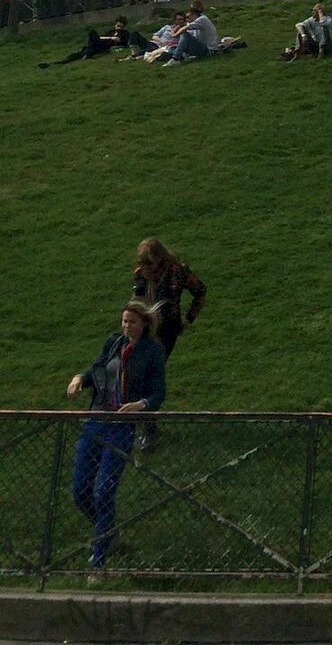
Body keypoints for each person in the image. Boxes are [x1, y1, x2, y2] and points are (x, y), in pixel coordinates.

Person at [66, 300, 166, 567]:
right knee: (80, 490)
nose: (126, 326)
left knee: (104, 491)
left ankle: (98, 559)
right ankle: (110, 532)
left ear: (144, 323)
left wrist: (140, 405)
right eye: (124, 321)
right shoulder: (113, 342)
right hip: (96, 420)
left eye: (132, 322)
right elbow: (97, 369)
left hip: (121, 426)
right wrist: (79, 378)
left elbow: (158, 393)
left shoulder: (152, 351)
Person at [131, 240, 205, 447]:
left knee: (149, 374)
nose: (146, 268)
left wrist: (189, 319)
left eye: (150, 264)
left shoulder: (178, 272)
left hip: (167, 331)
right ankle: (144, 424)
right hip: (145, 331)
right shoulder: (140, 275)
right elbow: (136, 302)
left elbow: (200, 291)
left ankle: (150, 430)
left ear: (160, 258)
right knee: (138, 374)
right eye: (143, 263)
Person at [39, 17, 148, 69]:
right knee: (77, 53)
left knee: (90, 45)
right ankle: (55, 63)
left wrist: (113, 39)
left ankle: (88, 54)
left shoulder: (125, 33)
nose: (118, 28)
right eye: (117, 25)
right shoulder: (111, 31)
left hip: (105, 46)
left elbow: (121, 42)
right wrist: (110, 37)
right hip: (99, 44)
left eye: (121, 26)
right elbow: (101, 37)